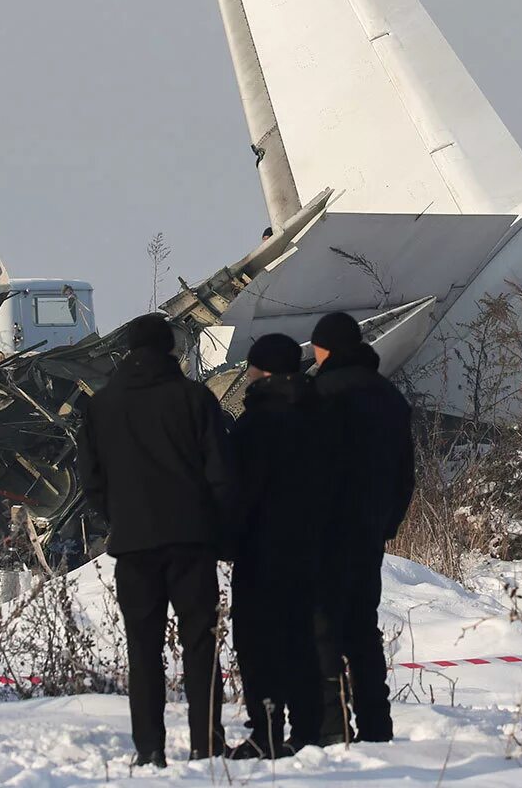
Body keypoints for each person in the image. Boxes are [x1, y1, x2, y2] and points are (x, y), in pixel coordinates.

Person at [75, 313, 235, 768]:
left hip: (133, 545)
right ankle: (207, 742)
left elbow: (91, 480)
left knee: (142, 648)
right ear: (170, 349)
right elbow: (220, 474)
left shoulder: (101, 406)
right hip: (191, 541)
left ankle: (149, 748)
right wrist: (216, 527)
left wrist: (120, 517)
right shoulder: (194, 398)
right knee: (201, 643)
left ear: (127, 350)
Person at [308, 311, 415, 745]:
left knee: (324, 629)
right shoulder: (391, 398)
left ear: (326, 348)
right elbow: (404, 474)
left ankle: (333, 729)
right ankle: (377, 725)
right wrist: (385, 523)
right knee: (363, 631)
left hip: (323, 532)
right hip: (368, 532)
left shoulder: (317, 395)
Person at [226, 333, 326, 759]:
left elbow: (239, 492)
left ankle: (266, 731)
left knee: (258, 644)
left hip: (261, 552)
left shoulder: (254, 425)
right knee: (303, 639)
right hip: (315, 550)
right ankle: (309, 730)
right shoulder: (323, 418)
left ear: (260, 370)